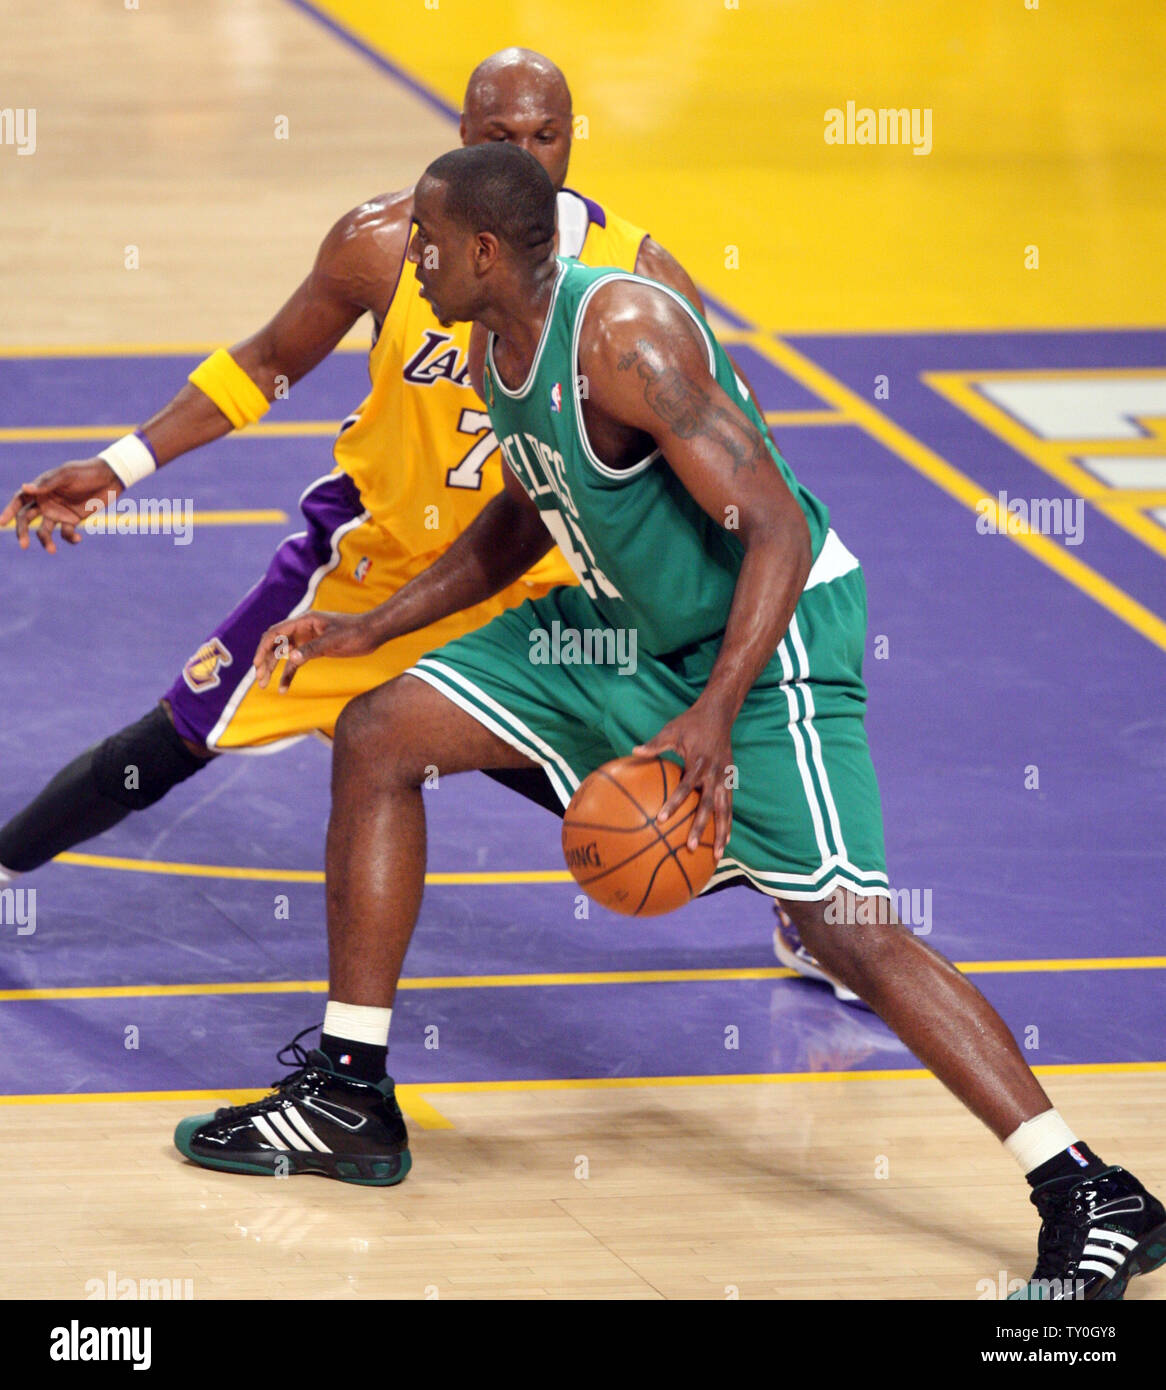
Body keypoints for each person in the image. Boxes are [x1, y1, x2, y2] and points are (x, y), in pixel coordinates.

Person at [175, 143, 1165, 1301]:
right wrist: (373, 624)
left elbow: (779, 530)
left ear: (486, 250)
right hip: (626, 625)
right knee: (381, 731)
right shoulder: (493, 340)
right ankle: (349, 1094)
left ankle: (1086, 1193)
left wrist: (712, 714)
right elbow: (523, 512)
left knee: (846, 926)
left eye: (429, 243)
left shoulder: (625, 339)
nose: (413, 257)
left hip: (768, 639)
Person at [0, 46, 701, 879]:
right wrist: (121, 465)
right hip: (374, 567)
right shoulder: (382, 245)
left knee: (656, 789)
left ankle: (808, 910)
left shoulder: (640, 276)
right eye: (500, 134)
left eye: (546, 135)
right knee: (182, 731)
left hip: (545, 580)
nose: (524, 157)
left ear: (572, 139)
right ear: (464, 133)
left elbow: (697, 465)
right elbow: (267, 362)